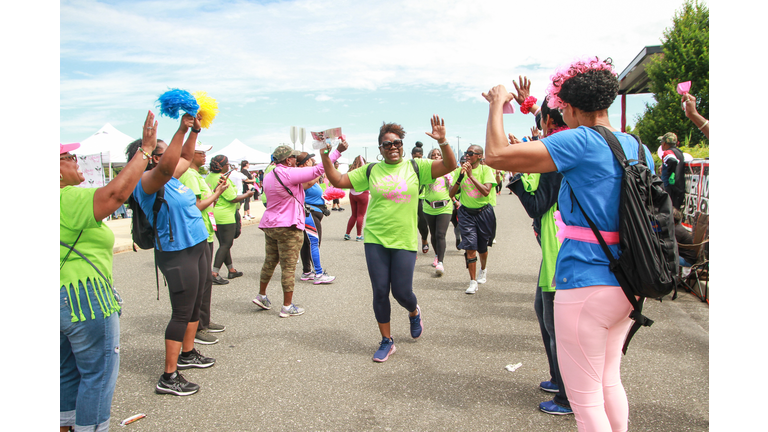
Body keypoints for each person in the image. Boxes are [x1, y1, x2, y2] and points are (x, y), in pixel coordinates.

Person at [482, 56, 656, 432]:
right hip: (629, 281)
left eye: (564, 111)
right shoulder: (638, 148)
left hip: (585, 282)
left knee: (585, 401)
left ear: (574, 109)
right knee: (610, 380)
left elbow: (495, 155)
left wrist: (497, 104)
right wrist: (531, 107)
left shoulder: (580, 140)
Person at [320, 115, 457, 362]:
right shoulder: (371, 169)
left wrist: (444, 141)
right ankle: (387, 340)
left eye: (397, 143)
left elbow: (449, 166)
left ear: (402, 145)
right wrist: (325, 156)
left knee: (402, 292)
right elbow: (337, 180)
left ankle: (414, 312)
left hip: (404, 239)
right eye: (387, 144)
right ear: (380, 148)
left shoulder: (417, 167)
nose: (393, 147)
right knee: (380, 291)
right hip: (375, 238)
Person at [60, 111, 157, 432]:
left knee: (65, 374)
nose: (76, 162)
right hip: (83, 297)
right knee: (97, 375)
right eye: (69, 157)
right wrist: (145, 149)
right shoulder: (67, 197)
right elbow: (116, 195)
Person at [127, 112, 220, 396]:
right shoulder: (146, 181)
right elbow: (170, 165)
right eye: (163, 150)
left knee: (194, 306)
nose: (171, 153)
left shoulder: (172, 177)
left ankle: (188, 353)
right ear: (152, 158)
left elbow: (186, 156)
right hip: (176, 253)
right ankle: (168, 376)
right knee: (181, 312)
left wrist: (193, 132)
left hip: (196, 246)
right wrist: (181, 128)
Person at [507, 87, 573, 415]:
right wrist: (528, 104)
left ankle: (566, 394)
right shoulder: (571, 143)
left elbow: (536, 206)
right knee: (542, 312)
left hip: (561, 252)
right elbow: (546, 120)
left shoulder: (555, 160)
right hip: (556, 249)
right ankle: (558, 378)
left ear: (549, 123)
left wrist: (516, 177)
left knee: (555, 326)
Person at [252, 144, 345, 317]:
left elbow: (298, 186)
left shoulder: (269, 174)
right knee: (288, 267)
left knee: (269, 262)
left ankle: (262, 295)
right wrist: (336, 152)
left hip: (270, 224)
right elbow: (318, 169)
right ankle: (287, 306)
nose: (295, 160)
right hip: (288, 225)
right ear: (288, 160)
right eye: (294, 157)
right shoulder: (288, 172)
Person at [177, 143, 229, 346]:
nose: (205, 156)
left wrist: (217, 190)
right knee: (199, 284)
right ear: (189, 155)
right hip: (197, 234)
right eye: (201, 153)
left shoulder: (197, 175)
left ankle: (204, 321)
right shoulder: (189, 176)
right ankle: (197, 327)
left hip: (205, 232)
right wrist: (217, 194)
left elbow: (208, 202)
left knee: (205, 281)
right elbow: (196, 206)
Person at [449, 144, 497, 295]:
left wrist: (471, 176)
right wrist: (460, 178)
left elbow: (486, 191)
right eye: (466, 153)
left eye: (471, 153)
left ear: (480, 156)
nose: (468, 155)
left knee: (482, 248)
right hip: (466, 214)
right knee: (470, 248)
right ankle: (472, 281)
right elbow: (451, 193)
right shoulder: (459, 171)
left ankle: (483, 269)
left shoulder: (485, 170)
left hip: (483, 212)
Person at [206, 155, 254, 284]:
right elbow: (232, 198)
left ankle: (231, 270)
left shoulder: (209, 177)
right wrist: (248, 194)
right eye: (228, 164)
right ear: (223, 166)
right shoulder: (222, 179)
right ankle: (214, 272)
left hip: (213, 214)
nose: (229, 166)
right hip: (225, 215)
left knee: (223, 243)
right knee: (226, 244)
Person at [297, 151, 336, 284]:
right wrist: (318, 173)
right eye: (310, 159)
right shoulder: (302, 175)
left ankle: (307, 271)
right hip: (309, 212)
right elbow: (306, 186)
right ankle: (318, 273)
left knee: (308, 243)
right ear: (306, 162)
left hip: (314, 212)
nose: (312, 161)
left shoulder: (307, 174)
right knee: (314, 242)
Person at [423, 148, 455, 276]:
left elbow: (454, 188)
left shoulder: (450, 171)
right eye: (433, 155)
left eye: (438, 154)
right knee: (434, 234)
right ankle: (437, 254)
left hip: (445, 207)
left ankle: (440, 262)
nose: (436, 156)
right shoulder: (426, 172)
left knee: (440, 234)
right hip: (429, 207)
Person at [344, 155, 370, 241]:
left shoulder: (351, 171)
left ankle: (347, 234)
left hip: (352, 194)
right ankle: (359, 235)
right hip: (362, 194)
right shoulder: (364, 170)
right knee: (360, 215)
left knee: (354, 215)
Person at [658, 132, 686, 210]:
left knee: (668, 212)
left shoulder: (667, 152)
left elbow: (672, 161)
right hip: (679, 187)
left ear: (664, 143)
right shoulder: (679, 152)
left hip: (669, 188)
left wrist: (671, 174)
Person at [412, 141, 430, 254]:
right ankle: (412, 247)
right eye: (415, 157)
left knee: (422, 223)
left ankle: (424, 239)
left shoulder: (425, 165)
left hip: (422, 198)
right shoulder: (409, 165)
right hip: (410, 198)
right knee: (411, 223)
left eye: (419, 157)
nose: (417, 159)